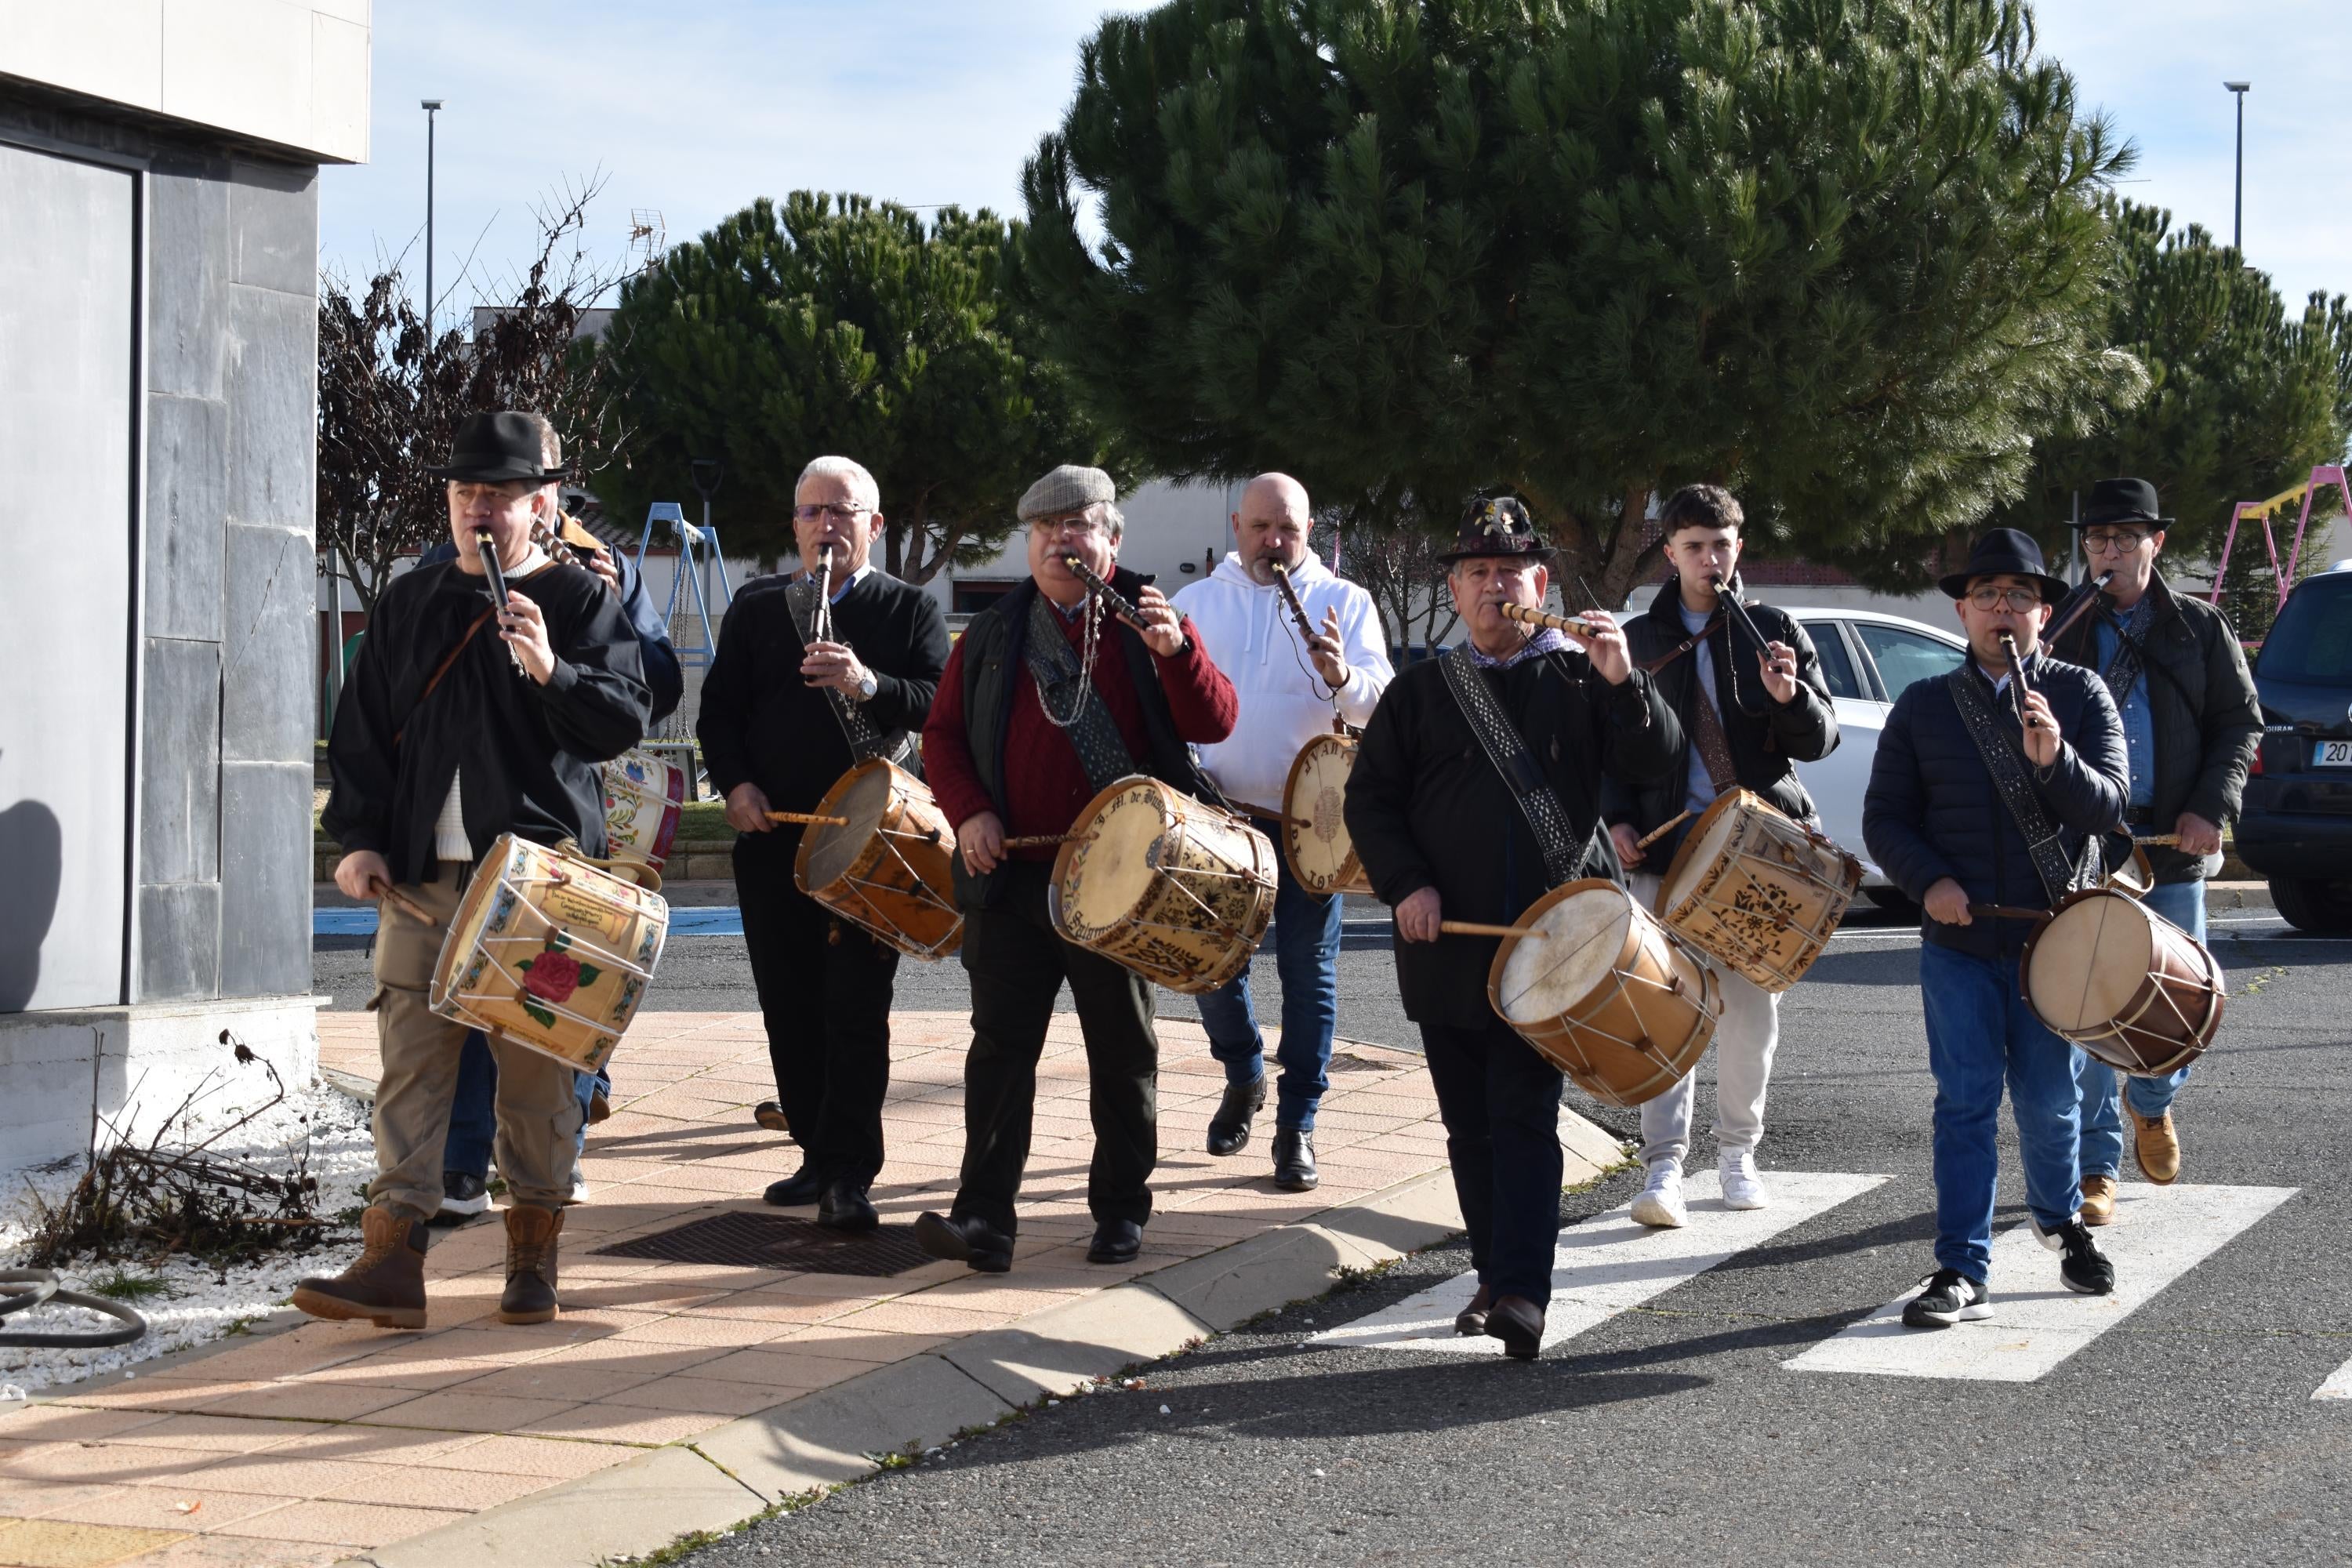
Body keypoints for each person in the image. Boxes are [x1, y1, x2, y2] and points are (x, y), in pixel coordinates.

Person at [302, 411, 652, 1329]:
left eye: (499, 494)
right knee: (410, 1070)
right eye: (465, 494)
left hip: (539, 882)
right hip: (421, 880)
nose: (480, 510)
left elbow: (622, 720)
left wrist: (552, 670)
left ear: (542, 506)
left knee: (535, 1077)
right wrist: (361, 838)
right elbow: (363, 734)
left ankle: (532, 1255)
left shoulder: (580, 602)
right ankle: (393, 1259)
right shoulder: (412, 602)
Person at [1345, 496, 1680, 1359]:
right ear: (1455, 589)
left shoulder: (1579, 676)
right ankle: (1493, 1274)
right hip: (1445, 941)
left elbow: (1653, 765)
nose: (1498, 587)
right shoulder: (1420, 691)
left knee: (1525, 1113)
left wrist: (1623, 682)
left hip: (1558, 942)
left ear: (1543, 583)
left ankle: (1525, 1289)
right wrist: (1406, 883)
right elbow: (1371, 801)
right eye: (1479, 573)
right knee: (1468, 1124)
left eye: (1514, 572)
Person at [913, 465, 1238, 1273]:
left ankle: (1122, 1208)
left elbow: (1217, 721)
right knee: (999, 1051)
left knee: (1121, 1049)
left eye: (1080, 524)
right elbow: (943, 738)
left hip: (1122, 883)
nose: (1063, 539)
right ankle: (985, 1217)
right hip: (1013, 879)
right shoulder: (991, 633)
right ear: (1029, 544)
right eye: (1045, 528)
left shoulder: (1150, 618)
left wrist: (1178, 651)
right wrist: (970, 813)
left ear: (1112, 539)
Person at [1862, 527, 2129, 1329]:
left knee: (2051, 1103)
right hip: (1959, 942)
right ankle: (1960, 1264)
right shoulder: (1922, 706)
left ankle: (2062, 1220)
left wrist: (2054, 761)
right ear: (1962, 609)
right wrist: (1928, 881)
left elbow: (2114, 809)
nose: (2002, 610)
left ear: (2044, 611)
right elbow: (1885, 819)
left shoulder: (2082, 695)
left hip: (2056, 944)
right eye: (1987, 596)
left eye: (2018, 595)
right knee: (1966, 1102)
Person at [424, 414, 683, 1224]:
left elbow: (656, 687)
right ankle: (462, 1168)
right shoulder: (443, 569)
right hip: (471, 814)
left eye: (522, 481)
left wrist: (598, 618)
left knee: (553, 993)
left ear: (549, 488)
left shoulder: (602, 569)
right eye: (481, 486)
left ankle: (555, 1145)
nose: (497, 502)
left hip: (569, 808)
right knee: (465, 997)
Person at [696, 456, 951, 1231]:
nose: (825, 527)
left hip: (873, 848)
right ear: (795, 526)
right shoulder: (757, 606)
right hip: (774, 839)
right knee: (789, 1004)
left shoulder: (909, 610)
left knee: (854, 1007)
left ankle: (850, 1171)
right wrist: (736, 784)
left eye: (841, 513)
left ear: (874, 525)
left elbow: (940, 705)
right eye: (811, 513)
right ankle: (814, 1149)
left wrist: (867, 682)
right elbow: (718, 714)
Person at [1600, 485, 1840, 1225]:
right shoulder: (1637, 638)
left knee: (1749, 1012)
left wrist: (1788, 697)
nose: (1710, 558)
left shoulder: (1773, 628)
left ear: (1741, 547)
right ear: (1670, 553)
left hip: (1757, 851)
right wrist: (1613, 818)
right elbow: (1603, 738)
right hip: (1667, 850)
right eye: (1695, 546)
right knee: (1665, 1011)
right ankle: (1663, 1169)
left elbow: (1820, 738)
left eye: (1723, 545)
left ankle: (1738, 1154)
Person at [1171, 473, 1394, 1189]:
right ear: (1237, 525)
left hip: (1313, 825)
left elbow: (1381, 707)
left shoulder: (1345, 601)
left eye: (1288, 529)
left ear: (1308, 530)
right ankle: (1242, 1072)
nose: (1274, 541)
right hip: (1218, 817)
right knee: (1209, 961)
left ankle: (1297, 1124)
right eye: (1262, 526)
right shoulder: (1197, 602)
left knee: (1309, 974)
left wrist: (1343, 678)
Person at [2048, 478, 2259, 1215]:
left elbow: (2239, 726)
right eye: (2099, 540)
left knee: (2179, 1003)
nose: (2109, 552)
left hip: (2173, 843)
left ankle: (2154, 1098)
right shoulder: (2064, 626)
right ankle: (2096, 1166)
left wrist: (2210, 809)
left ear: (2156, 544)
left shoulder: (2199, 627)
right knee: (2089, 1005)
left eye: (2126, 538)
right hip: (2087, 843)